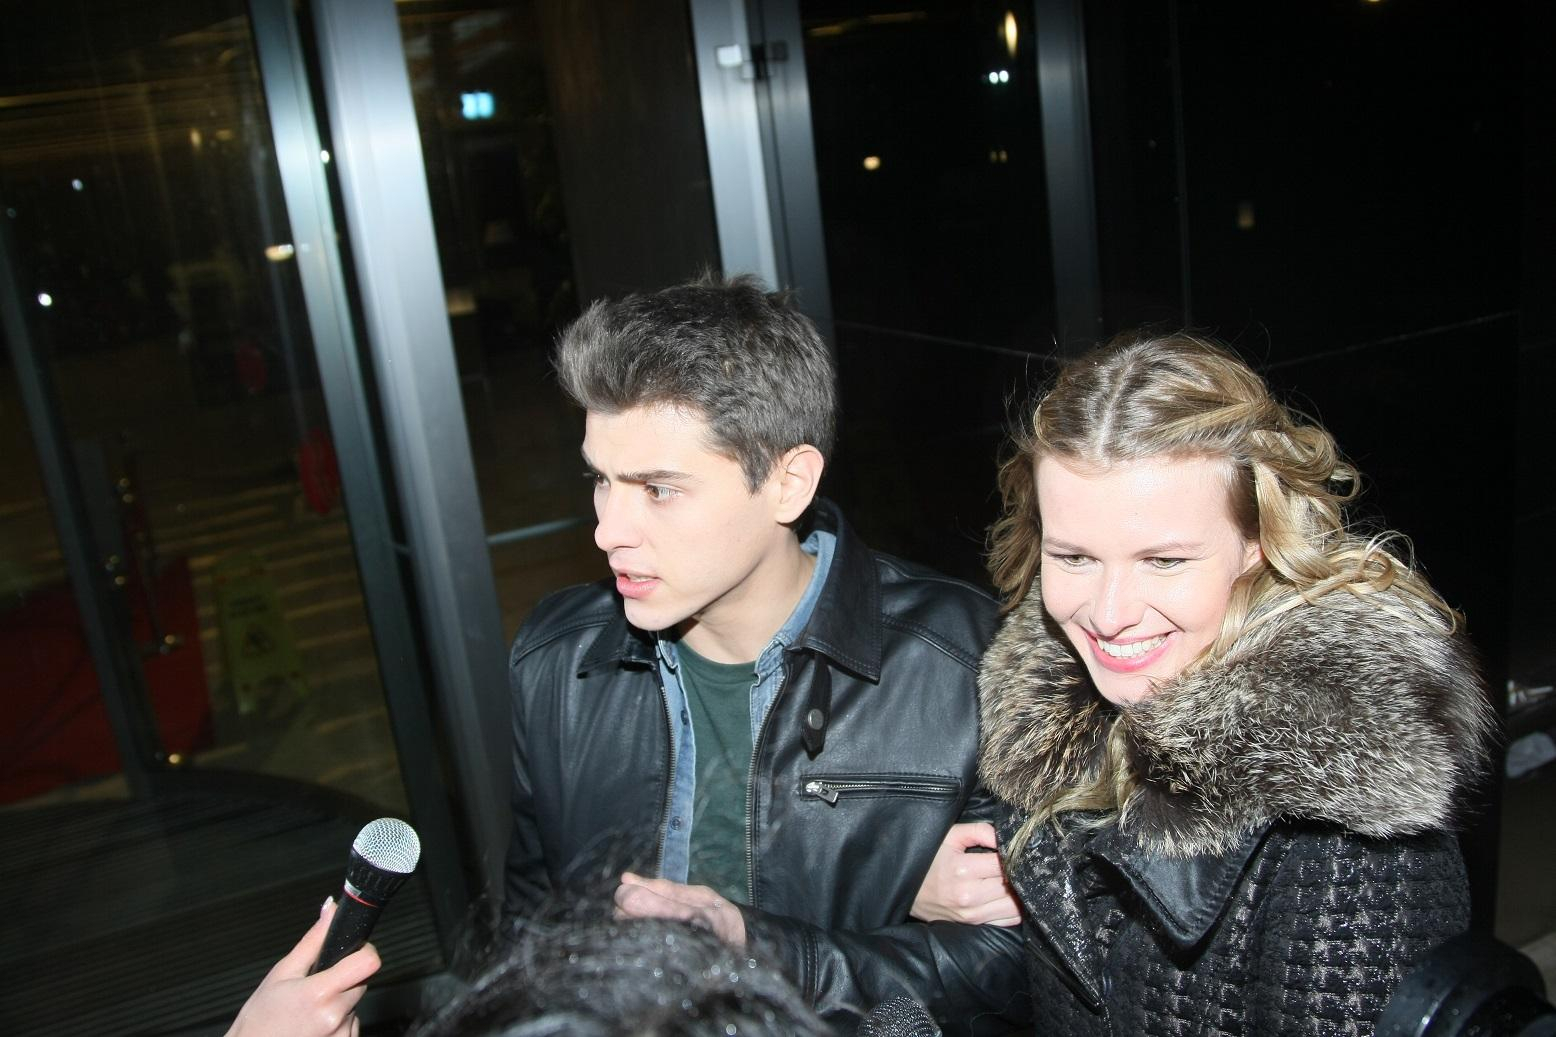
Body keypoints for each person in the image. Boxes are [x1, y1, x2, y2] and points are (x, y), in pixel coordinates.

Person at [502, 274, 1024, 1033]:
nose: (608, 530)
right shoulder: (556, 660)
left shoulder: (966, 664)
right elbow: (530, 936)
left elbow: (1016, 980)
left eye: (657, 490)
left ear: (788, 482)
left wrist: (759, 950)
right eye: (602, 482)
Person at [975, 331, 1495, 1034]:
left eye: (1163, 561)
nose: (1108, 613)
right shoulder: (1046, 711)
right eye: (1074, 557)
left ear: (1258, 543)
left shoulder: (1345, 832)